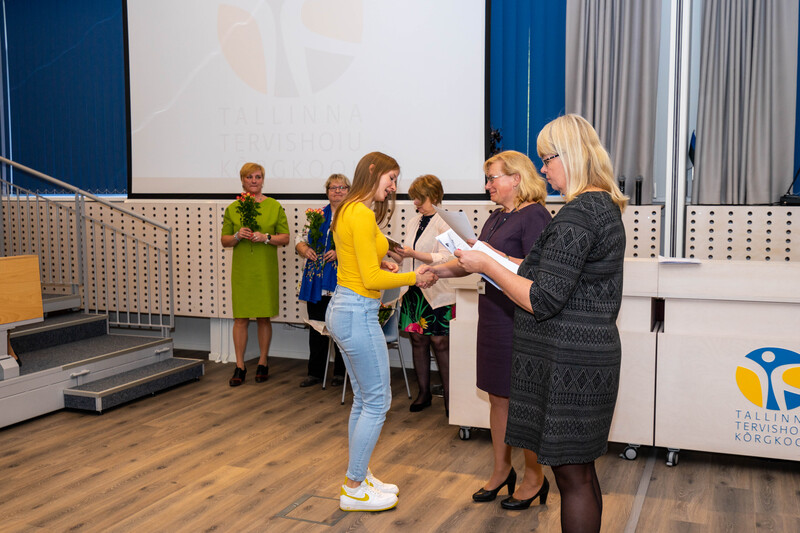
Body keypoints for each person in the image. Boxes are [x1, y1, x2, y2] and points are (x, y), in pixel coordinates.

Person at [451, 114, 627, 532]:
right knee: (580, 472)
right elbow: (547, 278)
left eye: (548, 159)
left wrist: (486, 266)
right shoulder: (601, 206)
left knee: (572, 478)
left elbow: (542, 298)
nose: (543, 170)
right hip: (585, 356)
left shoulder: (578, 214)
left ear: (572, 155)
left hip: (570, 363)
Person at [422, 151, 551, 508]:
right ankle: (501, 471)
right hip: (494, 315)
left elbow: (536, 270)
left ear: (517, 179)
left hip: (521, 317)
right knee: (497, 396)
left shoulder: (535, 215)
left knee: (523, 399)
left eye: (493, 178)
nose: (487, 185)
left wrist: (491, 256)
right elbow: (473, 264)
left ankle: (534, 477)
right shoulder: (496, 217)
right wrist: (437, 271)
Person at [325, 151, 437, 512]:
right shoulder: (359, 212)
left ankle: (359, 475)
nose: (393, 187)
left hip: (348, 308)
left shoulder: (352, 209)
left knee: (364, 399)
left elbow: (364, 261)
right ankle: (354, 487)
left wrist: (385, 259)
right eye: (391, 178)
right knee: (378, 401)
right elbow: (371, 279)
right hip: (356, 312)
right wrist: (414, 277)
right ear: (372, 171)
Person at [387, 175, 455, 413]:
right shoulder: (413, 221)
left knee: (440, 343)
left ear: (434, 196)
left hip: (437, 291)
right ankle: (424, 393)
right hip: (414, 290)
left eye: (420, 198)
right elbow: (408, 257)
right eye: (413, 198)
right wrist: (392, 252)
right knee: (417, 340)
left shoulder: (446, 221)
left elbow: (448, 258)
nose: (415, 202)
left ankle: (451, 399)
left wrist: (413, 254)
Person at [221, 162, 290, 387]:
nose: (254, 180)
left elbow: (285, 237)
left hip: (264, 269)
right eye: (249, 177)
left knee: (263, 317)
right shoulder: (233, 208)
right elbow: (225, 240)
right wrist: (237, 236)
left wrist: (266, 237)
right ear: (242, 180)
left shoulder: (274, 206)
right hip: (242, 270)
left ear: (263, 180)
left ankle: (262, 362)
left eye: (258, 177)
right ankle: (240, 365)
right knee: (240, 318)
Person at [296, 174, 350, 388]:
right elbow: (300, 239)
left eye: (342, 187)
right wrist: (305, 249)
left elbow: (359, 246)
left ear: (349, 191)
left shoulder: (353, 216)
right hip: (316, 282)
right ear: (327, 191)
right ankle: (315, 373)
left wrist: (339, 253)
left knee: (340, 328)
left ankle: (341, 373)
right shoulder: (316, 215)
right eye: (333, 187)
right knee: (317, 327)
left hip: (341, 281)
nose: (337, 191)